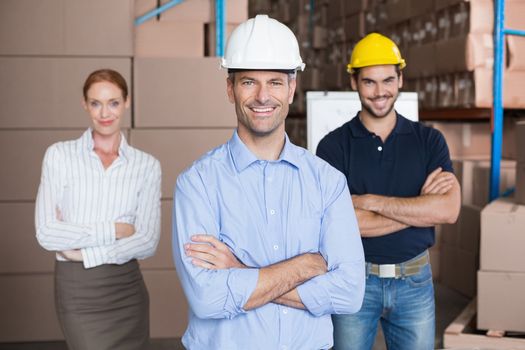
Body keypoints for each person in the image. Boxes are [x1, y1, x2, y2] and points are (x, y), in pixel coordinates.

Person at [172, 15, 365, 350]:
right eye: (249, 82)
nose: (263, 96)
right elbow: (208, 297)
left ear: (292, 88)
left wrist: (241, 270)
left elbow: (349, 293)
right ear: (230, 88)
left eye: (275, 82)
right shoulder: (197, 183)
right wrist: (306, 265)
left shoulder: (327, 181)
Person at [316, 33, 461, 350]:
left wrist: (369, 202)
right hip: (356, 279)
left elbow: (448, 210)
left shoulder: (428, 141)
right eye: (369, 82)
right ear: (354, 82)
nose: (379, 92)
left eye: (387, 80)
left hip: (415, 281)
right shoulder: (332, 147)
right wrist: (421, 209)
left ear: (400, 79)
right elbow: (338, 224)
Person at [35, 69, 161, 350]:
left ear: (126, 102)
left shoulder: (146, 165)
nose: (105, 113)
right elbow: (46, 233)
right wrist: (116, 229)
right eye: (96, 103)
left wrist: (82, 253)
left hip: (126, 288)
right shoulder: (59, 155)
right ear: (85, 104)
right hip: (78, 289)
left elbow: (147, 241)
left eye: (114, 102)